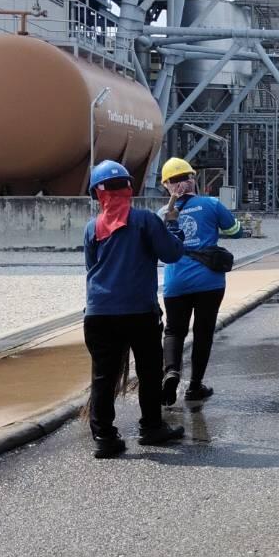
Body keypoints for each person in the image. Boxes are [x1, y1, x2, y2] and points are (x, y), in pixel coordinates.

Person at [81, 160, 186, 459]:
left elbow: (92, 267)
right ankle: (151, 428)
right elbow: (172, 253)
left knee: (103, 376)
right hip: (139, 312)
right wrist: (173, 224)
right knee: (149, 372)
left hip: (99, 313)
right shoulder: (145, 221)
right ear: (129, 188)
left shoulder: (92, 228)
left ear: (97, 193)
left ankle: (104, 438)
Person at [157, 157, 243, 406]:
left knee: (174, 330)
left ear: (166, 185)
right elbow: (235, 231)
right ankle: (195, 387)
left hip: (176, 282)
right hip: (209, 282)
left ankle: (171, 371)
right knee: (203, 333)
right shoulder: (210, 204)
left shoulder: (161, 214)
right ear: (192, 180)